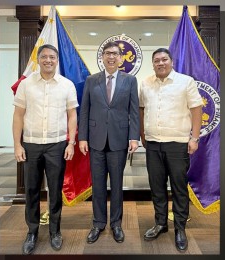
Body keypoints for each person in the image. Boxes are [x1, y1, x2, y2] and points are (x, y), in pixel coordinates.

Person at [12, 44, 78, 254]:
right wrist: (16, 144)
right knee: (31, 189)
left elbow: (72, 116)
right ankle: (32, 231)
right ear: (38, 59)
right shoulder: (26, 84)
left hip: (57, 144)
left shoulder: (66, 85)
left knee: (55, 190)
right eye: (44, 57)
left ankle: (55, 231)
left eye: (52, 57)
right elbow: (18, 115)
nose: (48, 60)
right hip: (31, 144)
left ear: (56, 60)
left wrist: (71, 143)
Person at [139, 48, 203, 251]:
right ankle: (160, 223)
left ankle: (180, 228)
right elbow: (141, 109)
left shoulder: (186, 82)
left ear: (171, 61)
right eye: (156, 60)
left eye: (164, 59)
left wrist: (194, 138)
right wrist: (143, 135)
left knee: (178, 188)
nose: (160, 63)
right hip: (153, 144)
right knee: (157, 187)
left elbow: (196, 109)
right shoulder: (146, 83)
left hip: (177, 143)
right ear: (153, 64)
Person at [78, 41, 140, 244]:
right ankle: (97, 223)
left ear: (121, 58)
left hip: (119, 141)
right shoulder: (91, 80)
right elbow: (85, 110)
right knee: (97, 185)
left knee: (116, 184)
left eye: (115, 54)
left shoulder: (130, 80)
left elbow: (133, 111)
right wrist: (83, 137)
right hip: (95, 140)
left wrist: (134, 137)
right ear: (102, 57)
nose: (111, 57)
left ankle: (116, 224)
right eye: (107, 53)